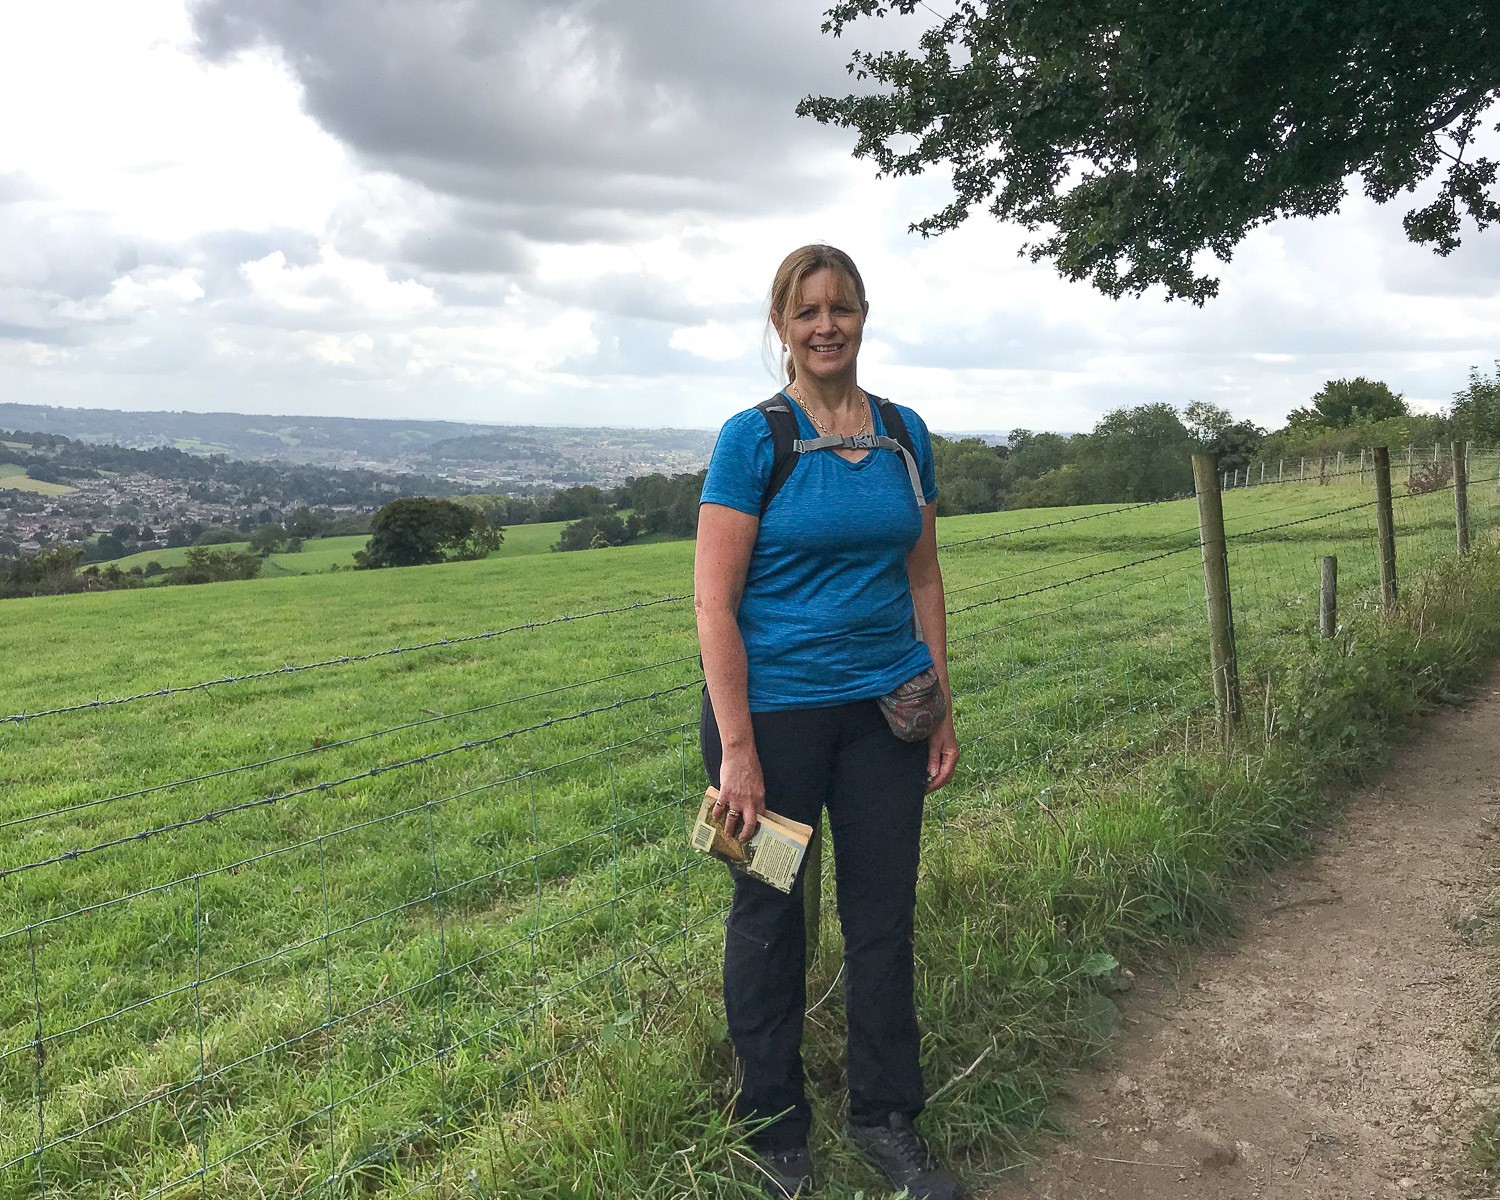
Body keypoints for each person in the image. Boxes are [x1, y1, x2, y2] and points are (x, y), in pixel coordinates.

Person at [694, 244, 963, 1200]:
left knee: (882, 918)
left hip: (885, 718)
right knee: (769, 915)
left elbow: (922, 574)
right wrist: (737, 757)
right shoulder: (751, 440)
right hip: (769, 729)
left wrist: (939, 704)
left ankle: (888, 1119)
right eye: (806, 311)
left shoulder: (903, 433)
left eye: (840, 307)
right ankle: (776, 1125)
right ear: (781, 327)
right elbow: (712, 607)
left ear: (861, 316)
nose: (825, 325)